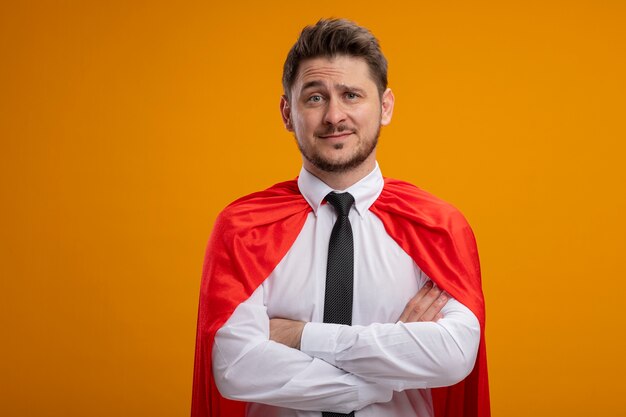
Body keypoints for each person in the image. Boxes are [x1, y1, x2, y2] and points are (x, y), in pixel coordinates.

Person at [191, 18, 490, 417]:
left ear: (385, 107)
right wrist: (389, 370)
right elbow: (235, 367)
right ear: (286, 112)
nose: (334, 116)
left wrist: (301, 337)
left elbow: (453, 355)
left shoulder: (436, 227)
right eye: (315, 98)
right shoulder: (245, 229)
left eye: (351, 95)